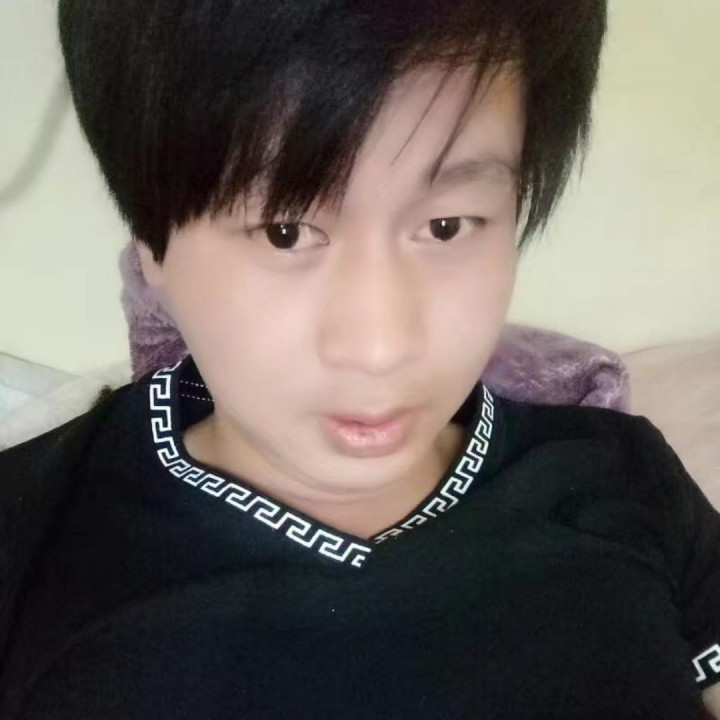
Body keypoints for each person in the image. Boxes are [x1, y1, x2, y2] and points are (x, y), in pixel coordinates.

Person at [1, 1, 719, 717]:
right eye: (284, 232)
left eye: (446, 226)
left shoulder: (626, 473)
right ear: (151, 242)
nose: (381, 348)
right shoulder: (29, 536)